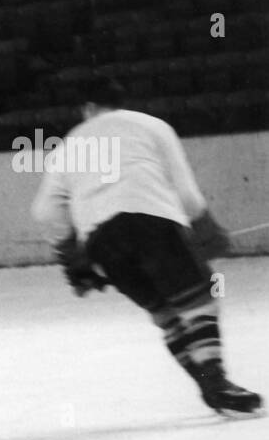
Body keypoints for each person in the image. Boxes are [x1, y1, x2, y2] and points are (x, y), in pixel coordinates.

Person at [31, 75, 261, 416]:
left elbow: (45, 211)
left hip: (100, 239)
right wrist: (206, 229)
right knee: (198, 300)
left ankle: (209, 386)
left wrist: (73, 262)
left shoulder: (69, 144)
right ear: (121, 103)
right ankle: (217, 382)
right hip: (150, 218)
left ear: (88, 108)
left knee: (166, 314)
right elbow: (185, 191)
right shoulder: (151, 126)